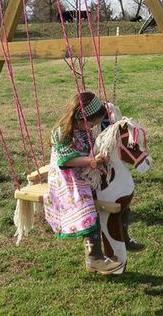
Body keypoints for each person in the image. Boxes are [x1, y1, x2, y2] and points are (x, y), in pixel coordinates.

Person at [43, 91, 125, 275]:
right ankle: (94, 257)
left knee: (117, 193)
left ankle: (124, 235)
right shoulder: (61, 133)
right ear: (81, 118)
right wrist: (91, 161)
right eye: (93, 122)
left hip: (84, 171)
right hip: (66, 178)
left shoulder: (83, 128)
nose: (94, 126)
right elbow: (65, 162)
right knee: (86, 206)